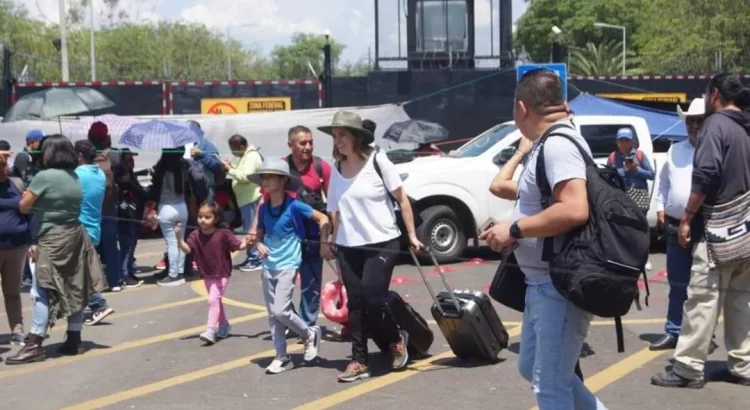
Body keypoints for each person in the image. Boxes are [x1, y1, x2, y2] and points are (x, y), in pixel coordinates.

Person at [479, 69, 607, 409]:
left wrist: (516, 230)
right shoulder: (547, 143)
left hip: (557, 286)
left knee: (550, 388)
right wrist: (512, 225)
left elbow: (575, 208)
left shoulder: (558, 145)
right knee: (532, 369)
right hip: (542, 284)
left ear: (521, 108)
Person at [652, 72, 750, 388]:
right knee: (741, 300)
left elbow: (706, 175)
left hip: (716, 229)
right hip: (746, 228)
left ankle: (688, 368)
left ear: (714, 94)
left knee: (702, 297)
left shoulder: (715, 126)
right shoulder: (745, 127)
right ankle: (743, 365)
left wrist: (686, 218)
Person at [320, 110, 422, 383]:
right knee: (354, 304)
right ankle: (359, 360)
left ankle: (395, 338)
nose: (337, 139)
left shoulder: (378, 161)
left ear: (356, 137)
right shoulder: (337, 168)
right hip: (348, 246)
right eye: (335, 134)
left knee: (372, 297)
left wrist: (411, 235)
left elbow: (402, 200)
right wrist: (329, 239)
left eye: (342, 134)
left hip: (383, 242)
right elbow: (334, 211)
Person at [7, 135, 105, 365]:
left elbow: (24, 206)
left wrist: (27, 199)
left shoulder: (44, 177)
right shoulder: (74, 176)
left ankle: (35, 342)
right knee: (75, 286)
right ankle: (74, 337)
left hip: (51, 237)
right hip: (75, 235)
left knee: (41, 288)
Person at [250, 157, 328, 374]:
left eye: (269, 177)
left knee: (281, 310)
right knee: (273, 315)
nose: (264, 181)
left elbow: (323, 218)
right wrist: (259, 244)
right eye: (263, 177)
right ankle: (281, 356)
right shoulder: (264, 208)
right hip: (268, 266)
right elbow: (259, 234)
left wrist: (324, 243)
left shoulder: (295, 206)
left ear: (283, 180)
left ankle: (309, 333)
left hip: (289, 264)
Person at [651, 98, 717, 352]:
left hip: (704, 224)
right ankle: (674, 330)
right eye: (691, 121)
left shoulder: (714, 149)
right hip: (674, 223)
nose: (694, 125)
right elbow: (664, 182)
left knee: (703, 284)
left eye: (699, 121)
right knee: (678, 281)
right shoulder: (674, 150)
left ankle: (703, 335)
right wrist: (660, 207)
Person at [175, 201, 250, 345]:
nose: (202, 220)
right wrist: (178, 238)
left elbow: (238, 246)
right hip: (207, 273)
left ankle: (210, 330)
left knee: (212, 300)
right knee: (216, 300)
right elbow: (187, 250)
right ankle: (223, 325)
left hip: (222, 273)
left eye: (207, 217)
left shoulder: (224, 233)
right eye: (200, 216)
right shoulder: (195, 234)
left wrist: (247, 241)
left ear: (216, 219)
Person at [146, 147, 204, 287]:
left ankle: (173, 274)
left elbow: (154, 190)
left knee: (171, 243)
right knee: (180, 241)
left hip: (166, 207)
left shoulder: (161, 168)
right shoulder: (185, 166)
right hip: (182, 206)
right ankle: (179, 272)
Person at [73, 140, 116, 326]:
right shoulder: (99, 173)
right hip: (94, 227)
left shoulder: (76, 174)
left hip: (79, 229)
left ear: (80, 156)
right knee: (80, 271)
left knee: (77, 273)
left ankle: (98, 304)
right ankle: (86, 306)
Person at [607, 127, 656, 270]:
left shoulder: (640, 155)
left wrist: (636, 169)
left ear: (632, 142)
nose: (623, 144)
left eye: (626, 140)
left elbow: (651, 174)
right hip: (621, 197)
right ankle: (626, 258)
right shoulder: (612, 157)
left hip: (639, 197)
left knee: (641, 228)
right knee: (623, 228)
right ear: (617, 142)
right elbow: (608, 175)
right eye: (620, 141)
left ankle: (644, 258)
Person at [0, 152, 31, 346]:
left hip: (17, 246)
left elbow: (27, 211)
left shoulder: (16, 184)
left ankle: (17, 328)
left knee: (12, 290)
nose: (3, 170)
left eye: (4, 166)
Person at [222, 134, 263, 272]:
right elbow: (240, 171)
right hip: (246, 200)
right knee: (250, 229)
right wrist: (231, 166)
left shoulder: (251, 156)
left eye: (234, 149)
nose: (233, 152)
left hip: (251, 199)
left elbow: (246, 176)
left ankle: (255, 259)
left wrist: (229, 170)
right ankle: (252, 257)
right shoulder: (244, 156)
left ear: (242, 146)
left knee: (251, 230)